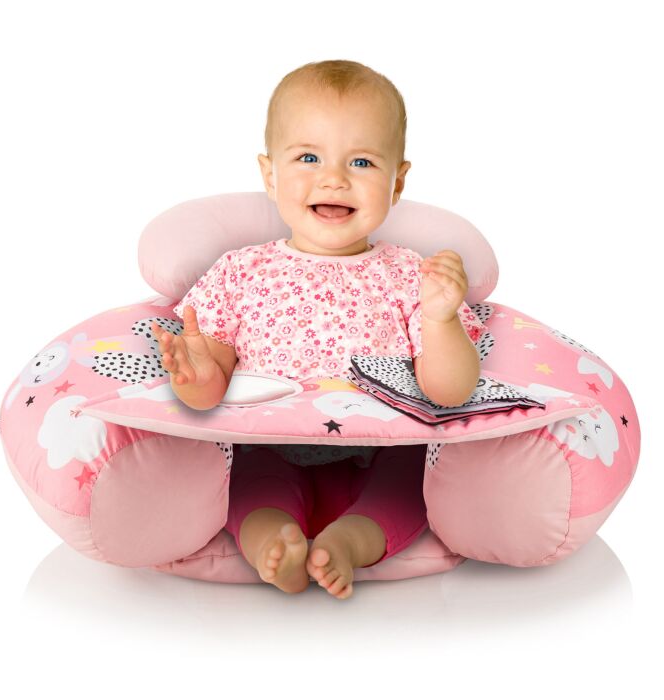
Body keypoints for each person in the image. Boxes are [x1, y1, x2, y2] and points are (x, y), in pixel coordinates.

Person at [151, 60, 485, 600]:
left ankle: (346, 545)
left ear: (397, 182)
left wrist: (441, 318)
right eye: (308, 158)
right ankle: (273, 545)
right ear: (270, 176)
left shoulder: (410, 275)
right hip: (269, 445)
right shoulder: (240, 271)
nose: (334, 179)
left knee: (409, 487)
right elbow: (210, 393)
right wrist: (194, 374)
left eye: (362, 162)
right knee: (246, 487)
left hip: (385, 448)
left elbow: (450, 392)